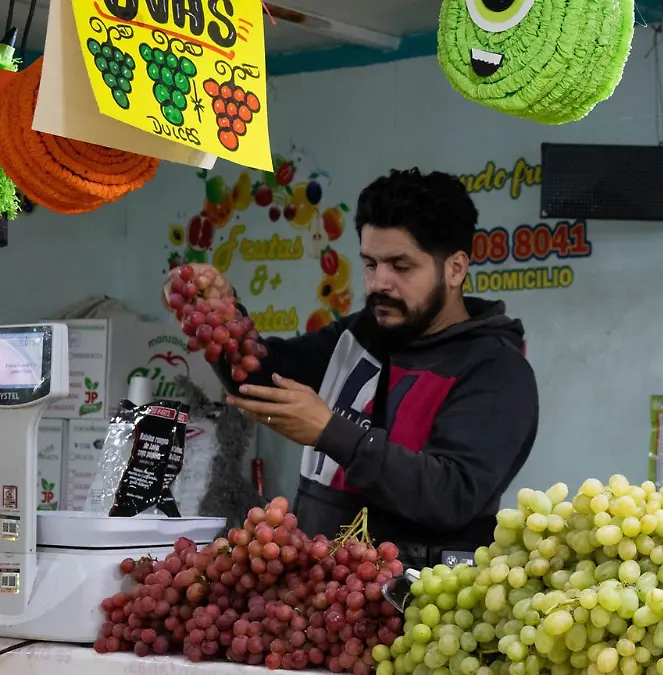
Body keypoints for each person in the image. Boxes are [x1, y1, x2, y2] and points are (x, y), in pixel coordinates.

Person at [165, 168, 539, 570]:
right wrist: (221, 313)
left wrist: (331, 432)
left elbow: (451, 495)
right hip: (318, 589)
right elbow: (261, 380)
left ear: (455, 268)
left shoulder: (497, 370)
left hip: (417, 599)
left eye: (401, 266)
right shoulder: (362, 333)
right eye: (371, 264)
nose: (379, 283)